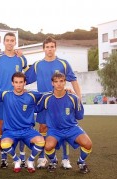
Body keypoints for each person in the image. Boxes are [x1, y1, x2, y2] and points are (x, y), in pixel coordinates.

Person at [26, 36, 82, 169]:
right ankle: (42, 158)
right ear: (43, 49)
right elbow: (24, 79)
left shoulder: (63, 63)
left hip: (61, 102)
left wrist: (78, 98)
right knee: (43, 128)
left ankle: (66, 159)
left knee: (64, 128)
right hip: (45, 102)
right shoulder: (38, 65)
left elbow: (73, 80)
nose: (50, 49)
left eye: (52, 47)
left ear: (55, 48)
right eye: (47, 47)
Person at [37, 72, 92, 174]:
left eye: (61, 81)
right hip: (54, 130)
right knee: (48, 146)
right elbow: (37, 108)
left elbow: (79, 116)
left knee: (88, 144)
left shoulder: (73, 98)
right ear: (52, 83)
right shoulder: (46, 98)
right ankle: (53, 161)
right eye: (56, 81)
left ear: (65, 82)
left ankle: (81, 162)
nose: (59, 84)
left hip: (71, 128)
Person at [0, 72, 44, 173]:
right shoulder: (6, 95)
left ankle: (30, 161)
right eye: (16, 82)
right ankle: (16, 160)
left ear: (25, 83)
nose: (18, 84)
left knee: (41, 142)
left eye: (21, 82)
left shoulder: (31, 95)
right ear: (12, 83)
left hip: (27, 130)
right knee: (4, 145)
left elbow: (48, 94)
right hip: (10, 131)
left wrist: (66, 90)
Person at [0, 32, 28, 168]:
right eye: (7, 40)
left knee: (20, 126)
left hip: (18, 97)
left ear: (15, 42)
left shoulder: (21, 58)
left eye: (12, 40)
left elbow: (25, 75)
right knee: (1, 126)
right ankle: (3, 157)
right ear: (4, 42)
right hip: (2, 97)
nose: (10, 42)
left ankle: (22, 157)